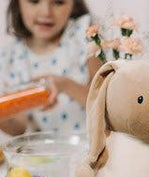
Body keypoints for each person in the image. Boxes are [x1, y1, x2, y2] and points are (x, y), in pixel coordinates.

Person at [0, 0, 102, 135]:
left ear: (73, 4)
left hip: (86, 150)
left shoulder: (85, 38)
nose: (46, 12)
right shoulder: (10, 58)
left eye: (58, 2)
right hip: (40, 154)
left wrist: (64, 85)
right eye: (34, 1)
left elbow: (103, 103)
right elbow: (18, 129)